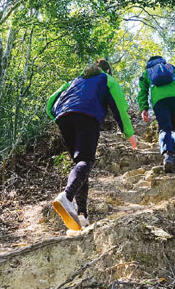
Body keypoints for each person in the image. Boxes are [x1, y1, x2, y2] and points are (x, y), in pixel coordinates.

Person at [46, 59, 137, 231]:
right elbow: (119, 107)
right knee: (86, 160)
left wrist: (59, 117)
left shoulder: (75, 81)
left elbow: (50, 103)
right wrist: (129, 134)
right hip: (87, 115)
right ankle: (66, 196)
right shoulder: (107, 80)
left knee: (80, 165)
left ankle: (82, 216)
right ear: (107, 71)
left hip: (63, 117)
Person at [137, 55, 175, 173]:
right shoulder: (170, 67)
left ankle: (168, 156)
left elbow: (142, 92)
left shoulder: (146, 73)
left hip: (160, 101)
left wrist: (144, 108)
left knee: (165, 128)